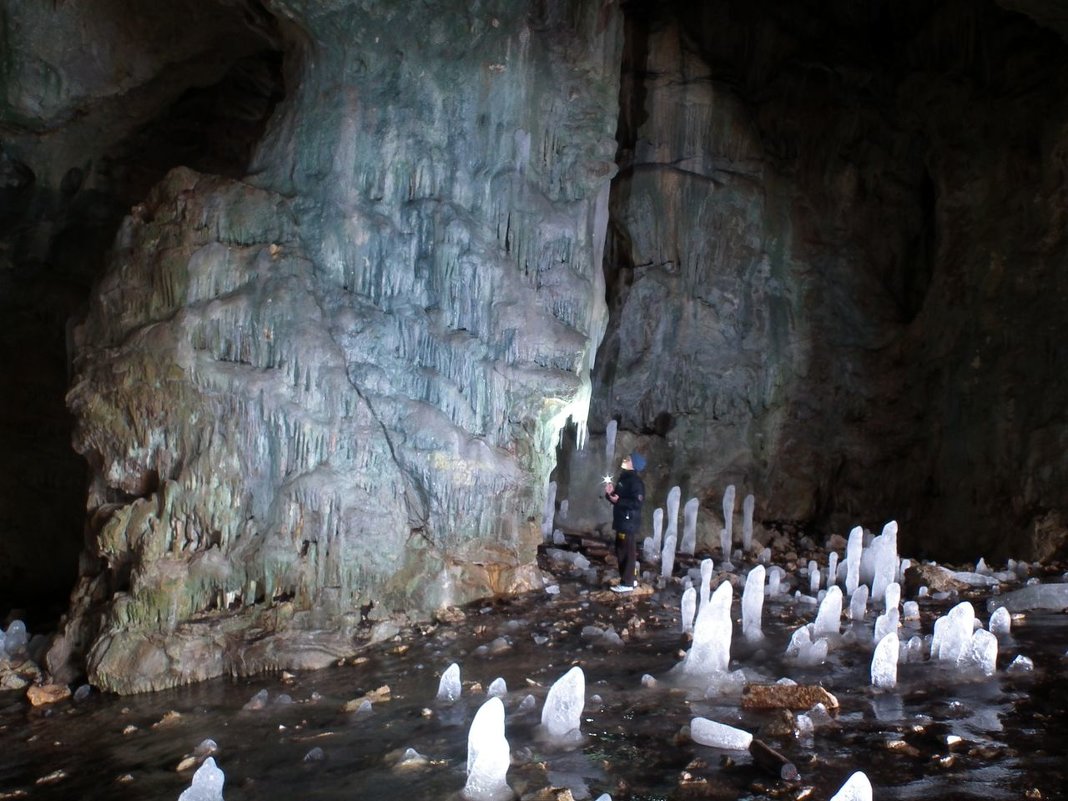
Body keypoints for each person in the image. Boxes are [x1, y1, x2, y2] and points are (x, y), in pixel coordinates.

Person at [604, 451, 646, 592]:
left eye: (628, 459)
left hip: (628, 522)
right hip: (623, 520)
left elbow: (637, 503)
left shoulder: (635, 482)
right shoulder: (624, 479)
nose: (625, 459)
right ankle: (630, 580)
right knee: (623, 549)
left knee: (625, 551)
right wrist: (609, 494)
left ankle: (627, 583)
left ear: (633, 465)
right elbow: (617, 499)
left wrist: (619, 500)